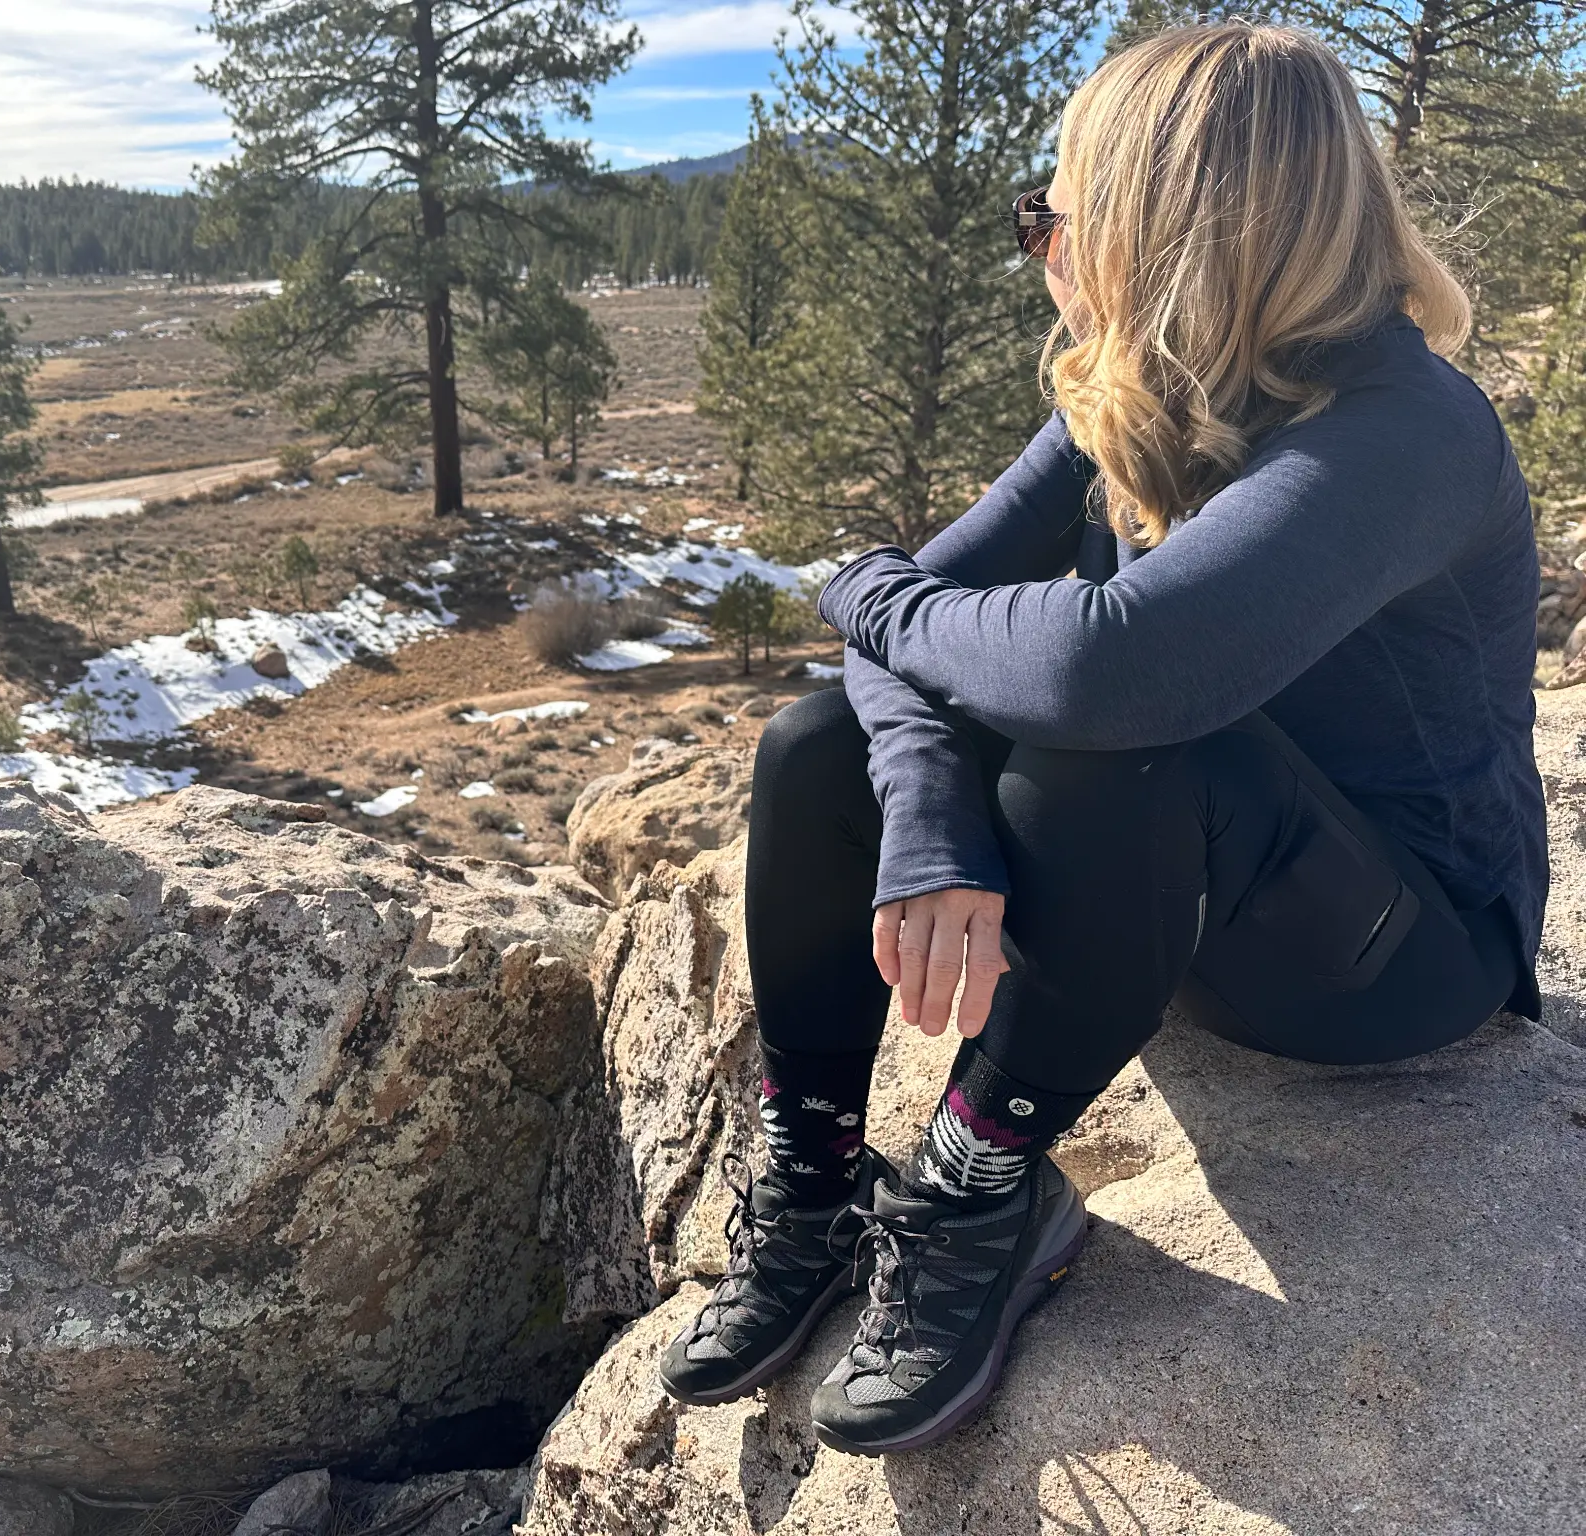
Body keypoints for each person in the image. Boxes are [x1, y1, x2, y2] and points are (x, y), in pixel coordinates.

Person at [657, 21, 1547, 1458]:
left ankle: (981, 1182)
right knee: (817, 745)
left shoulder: (1405, 432)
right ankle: (813, 1172)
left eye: (1051, 212)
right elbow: (903, 643)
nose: (1043, 244)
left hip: (1393, 969)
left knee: (1116, 736)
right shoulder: (1145, 388)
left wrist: (874, 589)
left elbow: (1104, 675)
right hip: (1171, 920)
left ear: (1157, 221)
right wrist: (932, 814)